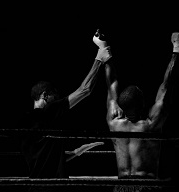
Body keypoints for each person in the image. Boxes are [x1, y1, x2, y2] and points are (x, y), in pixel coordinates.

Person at [19, 29, 111, 184]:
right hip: (54, 187)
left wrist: (76, 152)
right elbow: (85, 90)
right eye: (55, 97)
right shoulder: (49, 112)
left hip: (35, 186)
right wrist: (99, 58)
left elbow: (46, 162)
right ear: (45, 96)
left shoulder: (24, 125)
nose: (58, 100)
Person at [104, 31, 179, 192]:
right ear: (143, 104)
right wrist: (177, 50)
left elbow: (111, 82)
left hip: (121, 187)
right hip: (147, 186)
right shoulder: (151, 125)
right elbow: (166, 86)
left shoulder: (113, 121)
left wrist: (103, 48)